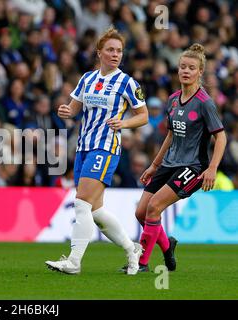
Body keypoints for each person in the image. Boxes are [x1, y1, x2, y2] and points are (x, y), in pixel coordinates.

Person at [45, 27, 149, 275]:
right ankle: (131, 249)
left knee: (81, 203)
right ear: (99, 52)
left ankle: (74, 262)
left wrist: (124, 123)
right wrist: (67, 111)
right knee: (96, 211)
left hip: (106, 147)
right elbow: (74, 107)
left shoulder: (127, 82)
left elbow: (143, 115)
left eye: (119, 51)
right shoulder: (87, 79)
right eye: (111, 50)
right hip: (83, 147)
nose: (115, 55)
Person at [131, 43, 227, 272]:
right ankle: (167, 246)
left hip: (193, 167)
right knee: (141, 212)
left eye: (191, 68)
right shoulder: (173, 99)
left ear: (200, 72)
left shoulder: (205, 103)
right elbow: (171, 135)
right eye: (182, 66)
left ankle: (141, 264)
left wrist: (212, 168)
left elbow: (221, 138)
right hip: (168, 163)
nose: (185, 71)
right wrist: (155, 165)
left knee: (154, 207)